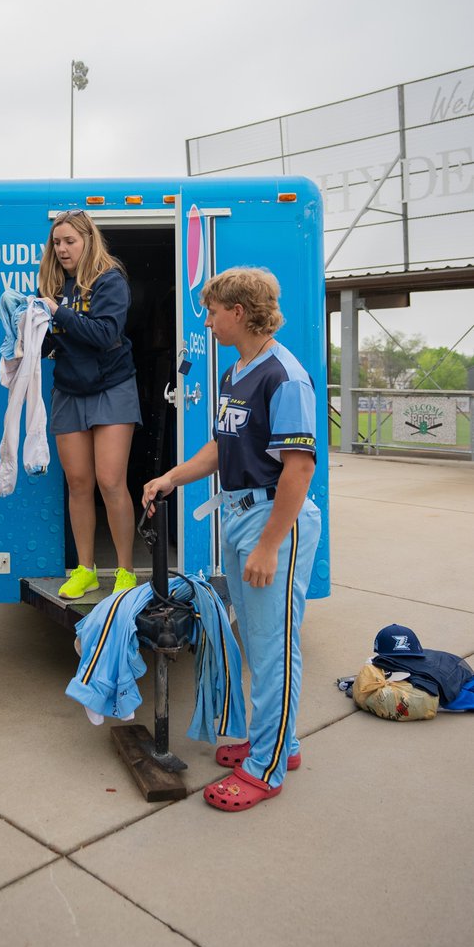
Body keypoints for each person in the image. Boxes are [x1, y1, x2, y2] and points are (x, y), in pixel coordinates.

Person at [142, 267, 321, 812]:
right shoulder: (235, 371)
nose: (209, 320)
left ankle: (265, 767)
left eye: (213, 310)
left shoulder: (284, 376)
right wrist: (172, 476)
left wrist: (270, 544)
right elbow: (222, 449)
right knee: (257, 647)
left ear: (239, 312)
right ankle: (277, 743)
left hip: (276, 521)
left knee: (273, 650)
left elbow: (298, 468)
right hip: (241, 516)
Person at [38, 210, 141, 600]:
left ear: (88, 241)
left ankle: (126, 573)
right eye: (57, 242)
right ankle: (86, 571)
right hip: (68, 390)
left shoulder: (109, 280)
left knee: (110, 481)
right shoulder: (53, 285)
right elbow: (54, 344)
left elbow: (104, 333)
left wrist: (56, 311)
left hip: (112, 387)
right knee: (78, 483)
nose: (62, 249)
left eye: (69, 241)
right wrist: (28, 333)